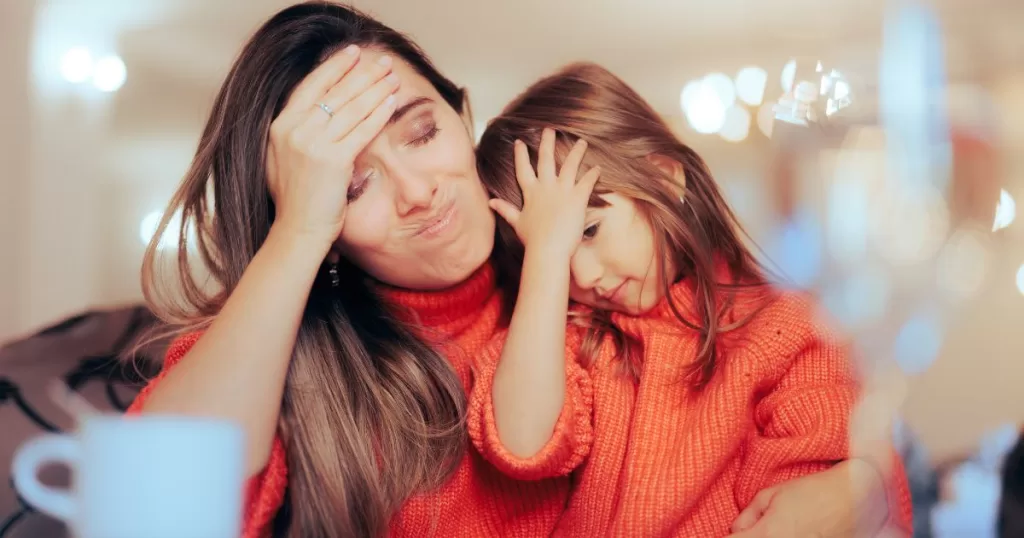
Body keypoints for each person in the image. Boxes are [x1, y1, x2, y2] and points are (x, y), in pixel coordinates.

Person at [128, 2, 903, 537]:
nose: (418, 191)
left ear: (463, 118)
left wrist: (860, 487)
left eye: (422, 132)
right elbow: (145, 510)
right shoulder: (286, 359)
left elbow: (800, 399)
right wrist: (297, 228)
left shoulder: (598, 302)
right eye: (353, 184)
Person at [472, 62, 913, 536]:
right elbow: (521, 442)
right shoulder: (567, 339)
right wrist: (546, 258)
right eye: (546, 252)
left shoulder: (785, 326)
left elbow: (814, 501)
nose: (581, 274)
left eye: (589, 230)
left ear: (664, 179)